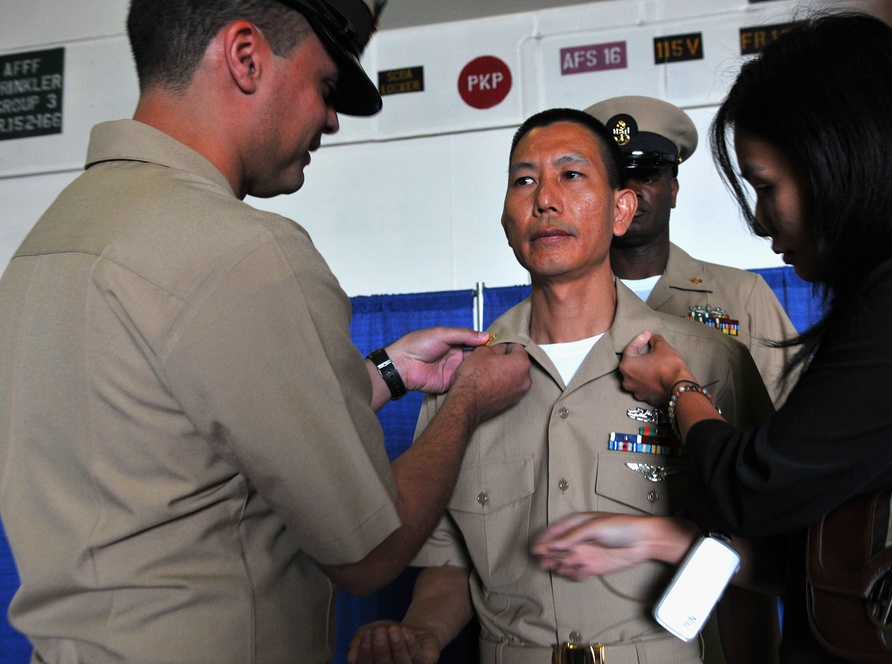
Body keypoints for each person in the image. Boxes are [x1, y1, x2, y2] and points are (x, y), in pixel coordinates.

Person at [0, 1, 532, 662]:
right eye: (325, 86)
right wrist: (466, 403)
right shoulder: (244, 254)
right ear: (246, 58)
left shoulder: (46, 246)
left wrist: (386, 373)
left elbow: (174, 432)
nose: (331, 119)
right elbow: (370, 549)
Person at [533, 11, 892, 663]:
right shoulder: (504, 351)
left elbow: (761, 488)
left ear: (840, 161)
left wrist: (680, 389)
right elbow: (830, 539)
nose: (758, 221)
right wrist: (660, 540)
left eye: (765, 186)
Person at [346, 108, 776, 664]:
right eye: (524, 181)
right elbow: (450, 557)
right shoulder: (466, 377)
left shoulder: (706, 364)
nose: (545, 198)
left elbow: (763, 552)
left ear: (622, 210)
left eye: (571, 175)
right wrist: (423, 632)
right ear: (506, 220)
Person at [584, 96, 801, 407]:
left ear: (672, 191)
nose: (631, 194)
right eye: (616, 180)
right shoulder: (565, 303)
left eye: (647, 177)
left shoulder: (744, 295)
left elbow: (790, 413)